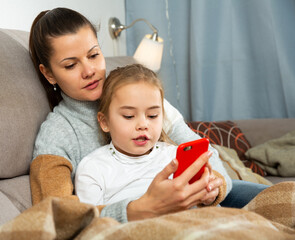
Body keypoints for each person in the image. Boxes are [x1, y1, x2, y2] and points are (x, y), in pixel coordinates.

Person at [29, 7, 267, 223]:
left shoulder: (139, 93)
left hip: (195, 202)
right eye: (71, 65)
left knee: (285, 200)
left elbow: (201, 150)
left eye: (94, 55)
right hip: (139, 222)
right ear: (49, 73)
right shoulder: (56, 136)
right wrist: (139, 209)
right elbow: (57, 216)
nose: (89, 71)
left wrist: (216, 186)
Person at [75, 64, 223, 207]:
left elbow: (198, 200)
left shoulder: (175, 156)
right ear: (105, 122)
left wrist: (207, 196)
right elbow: (90, 221)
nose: (143, 125)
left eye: (152, 115)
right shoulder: (93, 168)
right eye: (128, 116)